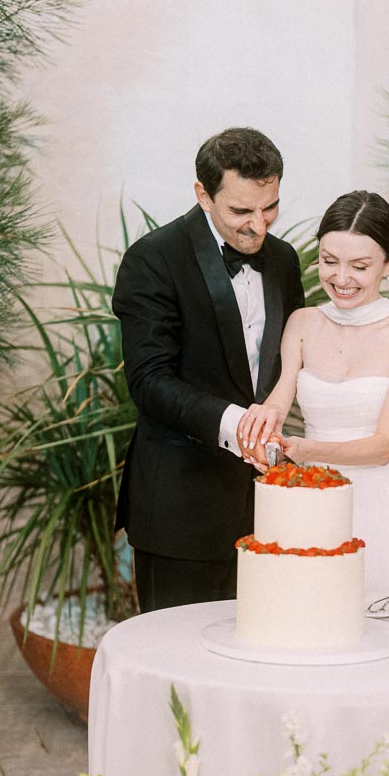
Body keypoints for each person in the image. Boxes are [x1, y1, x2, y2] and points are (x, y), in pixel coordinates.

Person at [112, 127, 305, 612]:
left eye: (270, 208)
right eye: (241, 211)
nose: (258, 226)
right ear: (203, 193)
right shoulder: (153, 259)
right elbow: (150, 382)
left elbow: (302, 359)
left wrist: (388, 430)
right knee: (177, 669)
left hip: (266, 511)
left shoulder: (282, 260)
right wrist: (237, 424)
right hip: (179, 510)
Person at [237, 190, 389, 610]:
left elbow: (384, 445)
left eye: (360, 266)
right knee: (308, 626)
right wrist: (261, 422)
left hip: (383, 515)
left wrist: (305, 450)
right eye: (329, 261)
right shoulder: (303, 322)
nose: (341, 278)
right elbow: (279, 399)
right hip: (313, 510)